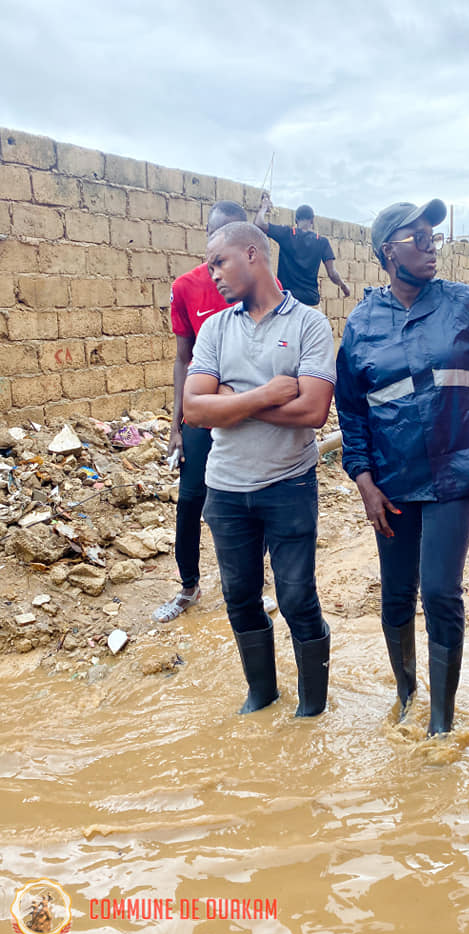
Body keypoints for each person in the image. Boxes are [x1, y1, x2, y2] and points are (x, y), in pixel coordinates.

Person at [335, 199, 469, 736]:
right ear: (388, 252)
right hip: (392, 478)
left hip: (454, 473)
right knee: (397, 591)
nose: (431, 247)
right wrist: (364, 483)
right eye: (418, 238)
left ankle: (441, 722)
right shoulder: (362, 324)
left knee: (441, 591)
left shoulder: (467, 305)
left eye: (434, 238)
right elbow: (352, 412)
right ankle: (407, 696)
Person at [183, 222, 336, 717]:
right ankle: (262, 693)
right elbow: (193, 410)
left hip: (289, 483)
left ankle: (312, 706)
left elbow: (313, 412)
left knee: (296, 599)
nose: (213, 276)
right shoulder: (215, 328)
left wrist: (231, 400)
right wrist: (268, 394)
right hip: (225, 490)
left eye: (219, 263)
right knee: (240, 597)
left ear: (252, 254)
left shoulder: (308, 324)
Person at [153, 201, 253, 623]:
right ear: (208, 236)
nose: (226, 244)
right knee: (191, 498)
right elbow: (183, 358)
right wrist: (176, 425)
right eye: (219, 234)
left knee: (250, 497)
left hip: (246, 412)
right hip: (201, 412)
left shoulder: (258, 284)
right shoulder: (187, 287)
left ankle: (249, 584)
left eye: (236, 234)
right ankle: (189, 586)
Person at [255, 193, 350, 306]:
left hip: (287, 302)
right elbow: (332, 273)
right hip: (310, 302)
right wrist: (344, 286)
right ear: (312, 221)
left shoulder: (286, 233)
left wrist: (264, 207)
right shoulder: (321, 241)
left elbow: (259, 224)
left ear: (296, 220)